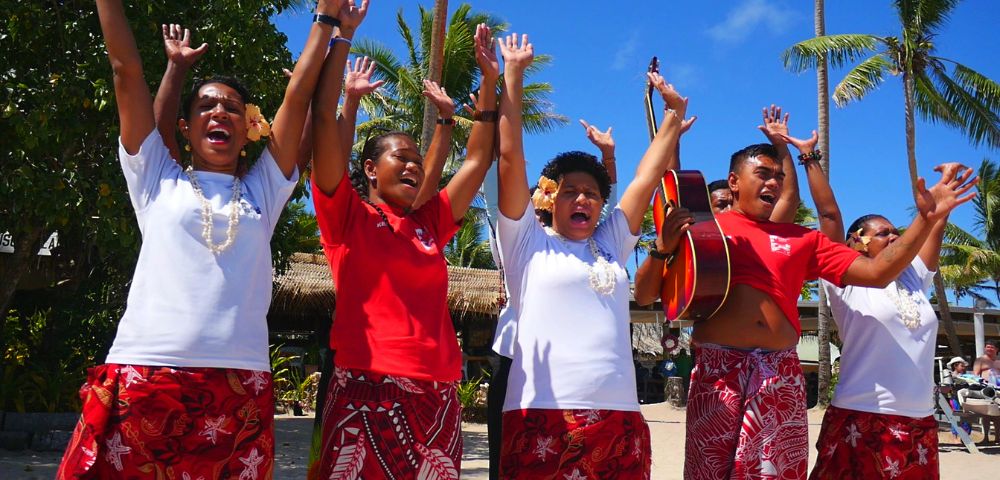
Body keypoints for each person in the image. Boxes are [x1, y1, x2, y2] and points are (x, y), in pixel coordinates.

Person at [57, 1, 338, 477]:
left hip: (239, 380)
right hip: (145, 371)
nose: (219, 113)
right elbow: (126, 70)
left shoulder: (262, 192)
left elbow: (299, 97)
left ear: (248, 129)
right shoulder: (155, 180)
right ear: (185, 129)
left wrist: (326, 23)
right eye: (206, 105)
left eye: (231, 107)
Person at [666, 130, 977, 477]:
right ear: (734, 182)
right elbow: (674, 197)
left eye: (779, 177)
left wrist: (927, 217)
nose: (773, 182)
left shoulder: (803, 239)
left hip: (779, 374)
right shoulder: (707, 231)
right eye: (764, 174)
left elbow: (877, 272)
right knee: (708, 471)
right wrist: (673, 127)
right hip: (720, 369)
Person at [308, 14, 499, 476]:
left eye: (418, 159)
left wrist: (490, 83)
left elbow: (477, 159)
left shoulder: (429, 224)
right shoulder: (347, 216)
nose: (414, 165)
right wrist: (341, 37)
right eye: (402, 157)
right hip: (362, 386)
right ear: (371, 169)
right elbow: (322, 123)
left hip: (437, 394)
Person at [495, 30, 693, 476]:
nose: (581, 199)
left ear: (602, 205)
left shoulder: (609, 245)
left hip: (618, 413)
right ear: (550, 199)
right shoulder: (527, 241)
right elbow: (509, 158)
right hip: (540, 412)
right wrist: (513, 74)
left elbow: (646, 177)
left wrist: (673, 115)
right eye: (570, 192)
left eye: (591, 194)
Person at [786, 133, 972, 477]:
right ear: (856, 242)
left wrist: (945, 189)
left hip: (919, 419)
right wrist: (809, 157)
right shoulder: (845, 280)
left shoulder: (914, 277)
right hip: (860, 414)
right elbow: (828, 215)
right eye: (884, 232)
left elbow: (934, 222)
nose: (895, 237)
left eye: (895, 231)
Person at [484, 118, 619, 480]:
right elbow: (497, 192)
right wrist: (496, 140)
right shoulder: (520, 240)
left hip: (566, 366)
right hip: (514, 355)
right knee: (509, 453)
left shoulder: (589, 244)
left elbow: (608, 209)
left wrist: (608, 157)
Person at [633, 105, 799, 307]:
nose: (731, 209)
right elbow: (674, 188)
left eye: (733, 201)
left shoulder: (766, 230)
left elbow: (788, 198)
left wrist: (781, 147)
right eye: (721, 204)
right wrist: (673, 138)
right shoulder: (694, 236)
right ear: (705, 210)